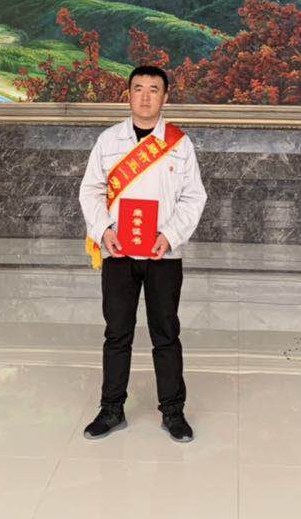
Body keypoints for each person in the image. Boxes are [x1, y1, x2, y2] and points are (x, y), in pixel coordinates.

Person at [77, 64, 207, 443]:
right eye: (138, 89)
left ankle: (173, 411)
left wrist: (171, 235)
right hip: (118, 252)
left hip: (162, 255)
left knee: (165, 333)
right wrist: (104, 230)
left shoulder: (179, 144)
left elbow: (194, 196)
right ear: (128, 94)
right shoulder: (108, 141)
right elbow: (91, 190)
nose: (145, 97)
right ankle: (111, 409)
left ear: (165, 97)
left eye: (154, 89)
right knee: (117, 332)